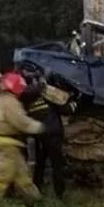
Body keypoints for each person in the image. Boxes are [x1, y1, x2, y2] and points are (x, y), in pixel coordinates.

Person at [0, 72, 44, 206]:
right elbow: (21, 122)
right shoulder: (11, 102)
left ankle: (32, 197)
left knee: (21, 172)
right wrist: (39, 127)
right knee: (4, 172)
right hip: (8, 141)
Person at [19, 64, 69, 199]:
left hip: (40, 134)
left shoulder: (24, 96)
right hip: (54, 132)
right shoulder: (46, 92)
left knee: (40, 164)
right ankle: (60, 194)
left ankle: (38, 189)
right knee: (56, 164)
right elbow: (64, 107)